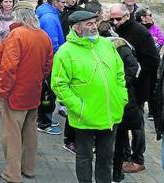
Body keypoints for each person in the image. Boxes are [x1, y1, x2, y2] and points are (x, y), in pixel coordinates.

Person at [51, 11, 127, 183]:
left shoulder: (106, 45)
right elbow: (59, 85)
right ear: (77, 28)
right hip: (85, 115)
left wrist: (121, 96)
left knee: (106, 157)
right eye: (89, 24)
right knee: (84, 157)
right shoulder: (65, 52)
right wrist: (79, 107)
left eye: (94, 23)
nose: (94, 27)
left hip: (110, 113)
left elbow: (119, 73)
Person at [0, 2, 53, 183]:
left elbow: (8, 68)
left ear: (17, 16)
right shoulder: (43, 36)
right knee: (30, 131)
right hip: (33, 91)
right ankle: (28, 168)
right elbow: (48, 65)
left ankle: (11, 174)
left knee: (12, 135)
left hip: (15, 93)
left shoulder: (16, 35)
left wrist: (3, 92)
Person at [109, 3, 160, 173]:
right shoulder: (115, 31)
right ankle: (124, 155)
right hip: (122, 86)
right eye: (112, 18)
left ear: (127, 16)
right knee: (122, 122)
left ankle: (138, 158)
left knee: (136, 124)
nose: (115, 22)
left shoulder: (139, 32)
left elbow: (152, 61)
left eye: (118, 18)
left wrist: (138, 80)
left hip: (138, 86)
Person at [97, 22, 141, 183]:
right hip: (121, 99)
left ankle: (112, 173)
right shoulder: (122, 45)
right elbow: (134, 68)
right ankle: (114, 173)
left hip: (115, 99)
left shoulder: (117, 47)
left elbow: (131, 69)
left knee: (113, 139)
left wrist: (116, 84)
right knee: (118, 140)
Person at [35, 0, 65, 136]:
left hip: (46, 61)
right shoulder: (49, 18)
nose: (64, 5)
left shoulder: (48, 14)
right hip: (50, 62)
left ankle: (44, 118)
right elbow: (52, 44)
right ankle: (44, 122)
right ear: (55, 3)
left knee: (46, 93)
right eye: (63, 2)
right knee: (47, 94)